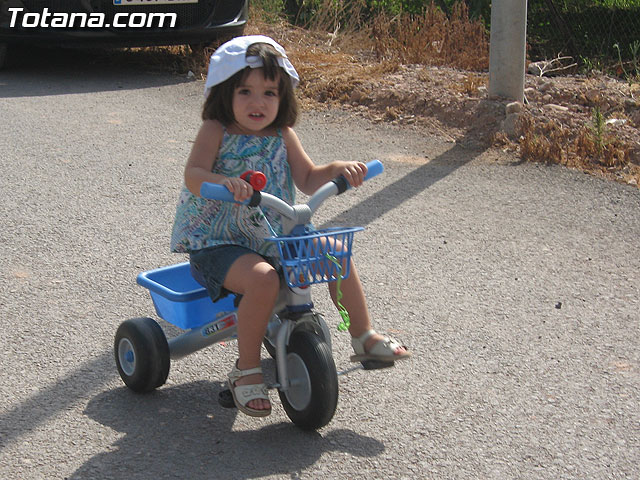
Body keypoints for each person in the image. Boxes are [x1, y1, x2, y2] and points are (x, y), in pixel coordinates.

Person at [171, 35, 410, 418]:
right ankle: (246, 369)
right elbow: (193, 175)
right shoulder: (216, 130)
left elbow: (309, 178)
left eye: (269, 93)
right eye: (245, 91)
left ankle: (363, 336)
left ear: (284, 96)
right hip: (218, 243)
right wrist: (224, 183)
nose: (258, 102)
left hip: (272, 239)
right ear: (224, 92)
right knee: (264, 280)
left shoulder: (282, 135)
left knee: (335, 253)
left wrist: (339, 170)